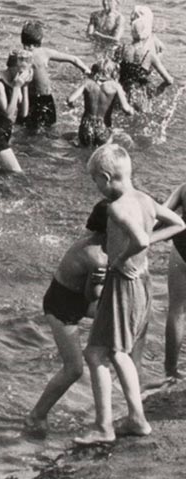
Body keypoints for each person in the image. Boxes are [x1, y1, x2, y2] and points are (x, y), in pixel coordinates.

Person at [75, 145, 184, 445]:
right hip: (142, 280)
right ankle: (107, 422)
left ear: (107, 177)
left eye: (96, 181)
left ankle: (132, 420)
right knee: (95, 353)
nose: (96, 187)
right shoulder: (145, 200)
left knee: (116, 353)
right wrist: (148, 238)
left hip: (124, 282)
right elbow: (179, 223)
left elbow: (138, 240)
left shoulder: (117, 207)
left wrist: (120, 259)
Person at [24, 203, 109, 436]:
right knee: (74, 369)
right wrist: (97, 282)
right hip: (62, 308)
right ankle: (35, 416)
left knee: (119, 328)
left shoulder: (101, 243)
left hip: (76, 300)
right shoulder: (95, 255)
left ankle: (113, 401)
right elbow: (92, 295)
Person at [19, 19, 89, 129]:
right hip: (45, 98)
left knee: (28, 128)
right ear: (39, 39)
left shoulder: (20, 56)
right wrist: (86, 70)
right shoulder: (44, 52)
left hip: (28, 98)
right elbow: (73, 59)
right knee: (49, 128)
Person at [0, 50, 33, 173]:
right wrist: (16, 86)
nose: (21, 74)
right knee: (17, 174)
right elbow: (8, 113)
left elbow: (24, 112)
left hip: (4, 135)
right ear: (12, 67)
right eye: (20, 71)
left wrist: (25, 85)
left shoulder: (15, 80)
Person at [66, 57, 132, 147]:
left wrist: (72, 106)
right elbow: (126, 108)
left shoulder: (87, 83)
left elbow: (70, 99)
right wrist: (131, 111)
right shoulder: (115, 86)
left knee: (83, 152)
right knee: (104, 150)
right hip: (103, 127)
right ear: (112, 71)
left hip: (86, 126)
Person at [117, 5, 173, 110]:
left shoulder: (121, 48)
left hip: (121, 95)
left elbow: (112, 71)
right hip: (141, 98)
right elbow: (169, 81)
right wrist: (154, 93)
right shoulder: (149, 55)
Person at [162, 182, 186, 380]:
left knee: (177, 311)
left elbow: (159, 215)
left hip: (183, 248)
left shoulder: (184, 188)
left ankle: (170, 371)